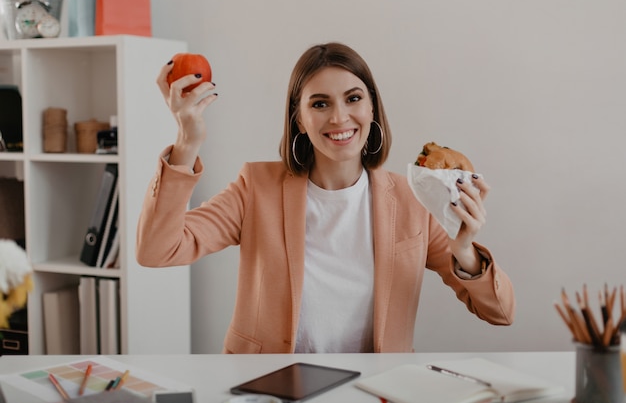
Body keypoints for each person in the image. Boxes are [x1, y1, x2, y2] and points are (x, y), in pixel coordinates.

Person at [136, 42, 515, 354]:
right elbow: (157, 250)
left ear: (371, 108)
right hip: (270, 386)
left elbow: (500, 311)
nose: (339, 117)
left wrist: (465, 249)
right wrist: (187, 140)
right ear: (299, 119)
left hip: (375, 388)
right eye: (319, 104)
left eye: (353, 98)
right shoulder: (256, 187)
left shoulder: (411, 199)